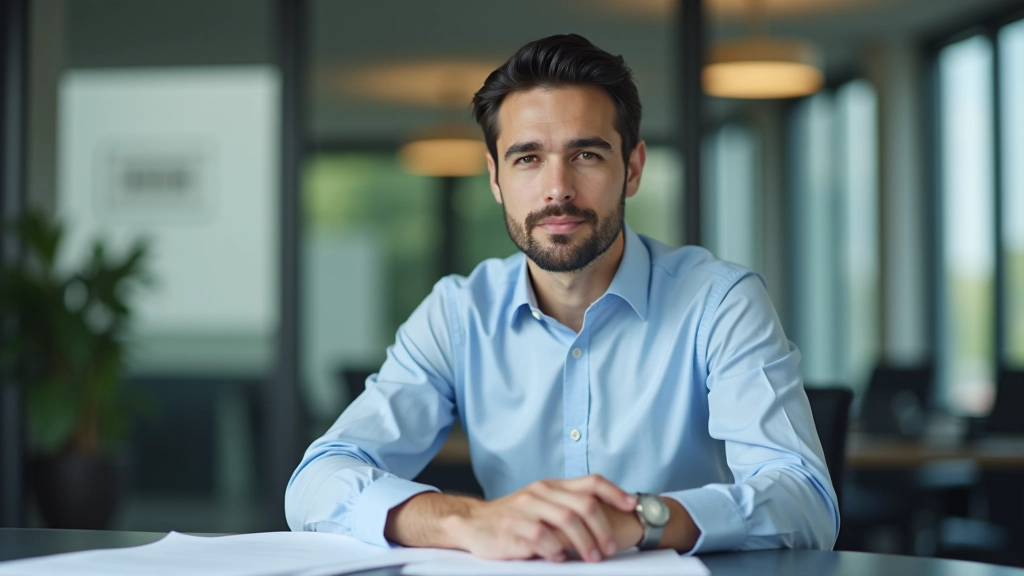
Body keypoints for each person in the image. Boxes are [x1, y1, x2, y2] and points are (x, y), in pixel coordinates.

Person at [285, 33, 839, 562]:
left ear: (634, 168)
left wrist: (642, 520)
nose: (557, 189)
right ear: (496, 179)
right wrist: (467, 521)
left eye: (587, 155)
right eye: (528, 158)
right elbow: (316, 483)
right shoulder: (459, 313)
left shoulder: (720, 303)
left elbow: (805, 501)